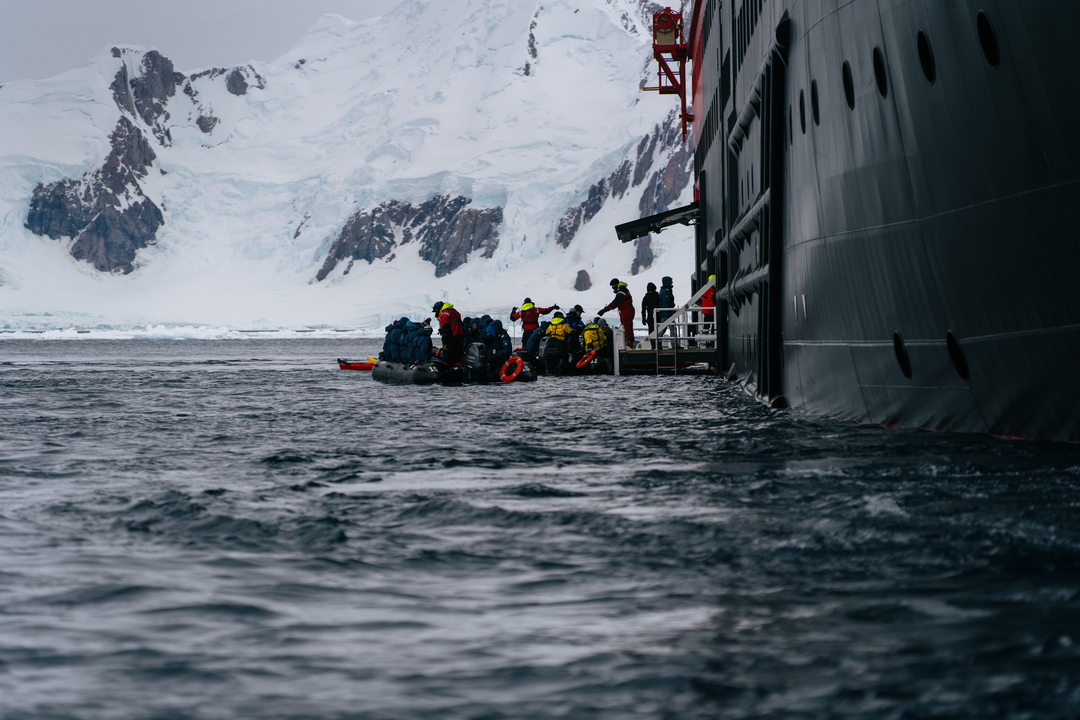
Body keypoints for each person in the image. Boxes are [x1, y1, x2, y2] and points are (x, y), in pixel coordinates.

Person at [598, 278, 635, 347]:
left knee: (626, 328)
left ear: (616, 284)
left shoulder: (621, 292)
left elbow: (615, 303)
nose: (612, 287)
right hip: (628, 310)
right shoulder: (623, 290)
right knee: (629, 328)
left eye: (612, 286)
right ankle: (631, 342)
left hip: (626, 311)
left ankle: (629, 344)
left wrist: (604, 310)